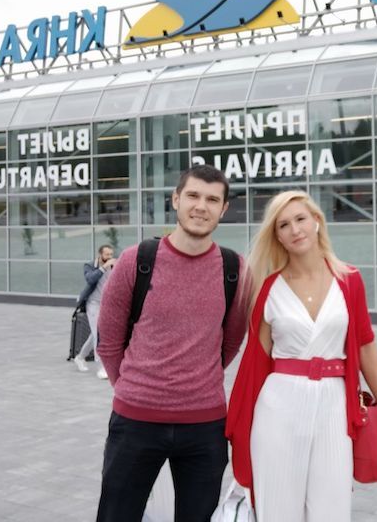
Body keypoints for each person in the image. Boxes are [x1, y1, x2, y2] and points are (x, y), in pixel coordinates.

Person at [227, 190, 377, 522]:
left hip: (334, 407)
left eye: (300, 219)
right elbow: (256, 364)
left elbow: (366, 348)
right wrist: (240, 425)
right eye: (284, 225)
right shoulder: (268, 289)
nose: (295, 229)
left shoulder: (349, 280)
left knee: (331, 511)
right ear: (277, 236)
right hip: (278, 408)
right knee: (278, 512)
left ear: (317, 221)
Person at [94, 165, 250, 522]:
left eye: (212, 200)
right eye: (193, 195)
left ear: (223, 209)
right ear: (176, 199)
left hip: (205, 426)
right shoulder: (136, 260)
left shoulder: (235, 269)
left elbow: (230, 342)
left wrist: (196, 378)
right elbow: (109, 341)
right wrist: (135, 388)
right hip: (135, 421)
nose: (201, 206)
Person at [72, 244, 115, 379]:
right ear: (100, 254)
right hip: (93, 303)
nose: (109, 257)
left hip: (106, 304)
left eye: (111, 254)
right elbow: (90, 280)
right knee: (98, 334)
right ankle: (101, 367)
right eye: (107, 254)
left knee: (95, 334)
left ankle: (80, 357)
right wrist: (104, 267)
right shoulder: (90, 265)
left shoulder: (113, 266)